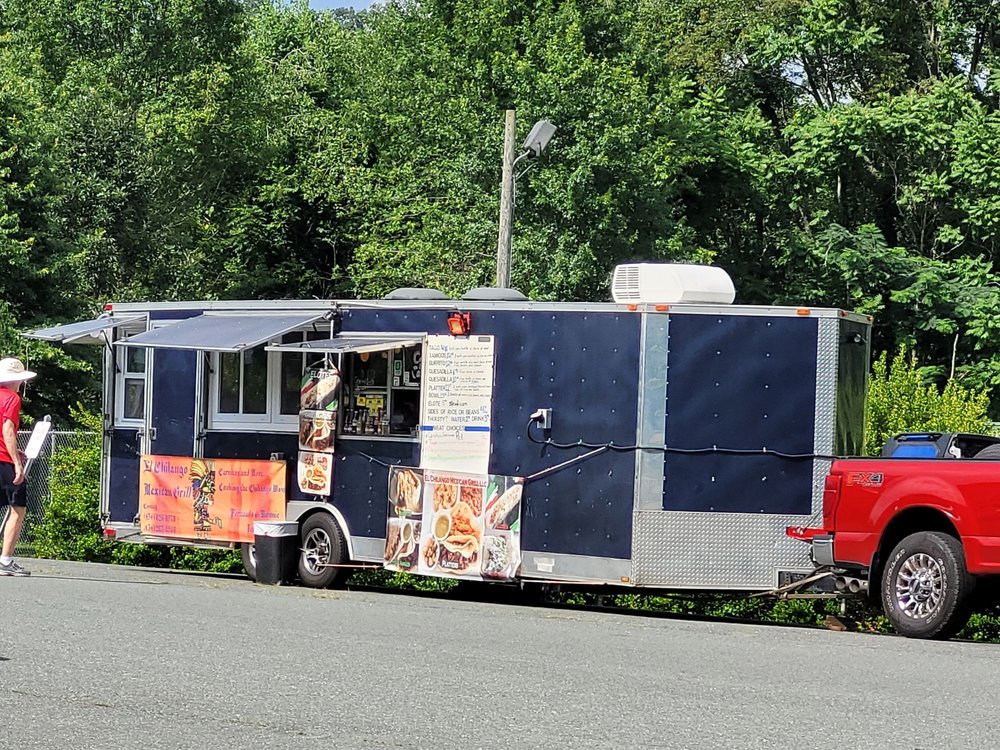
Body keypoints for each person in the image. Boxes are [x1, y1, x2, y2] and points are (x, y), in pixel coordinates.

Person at [0, 357, 37, 576]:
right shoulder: (12, 399)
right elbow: (7, 430)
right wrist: (17, 463)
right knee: (18, 508)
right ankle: (5, 560)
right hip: (3, 460)